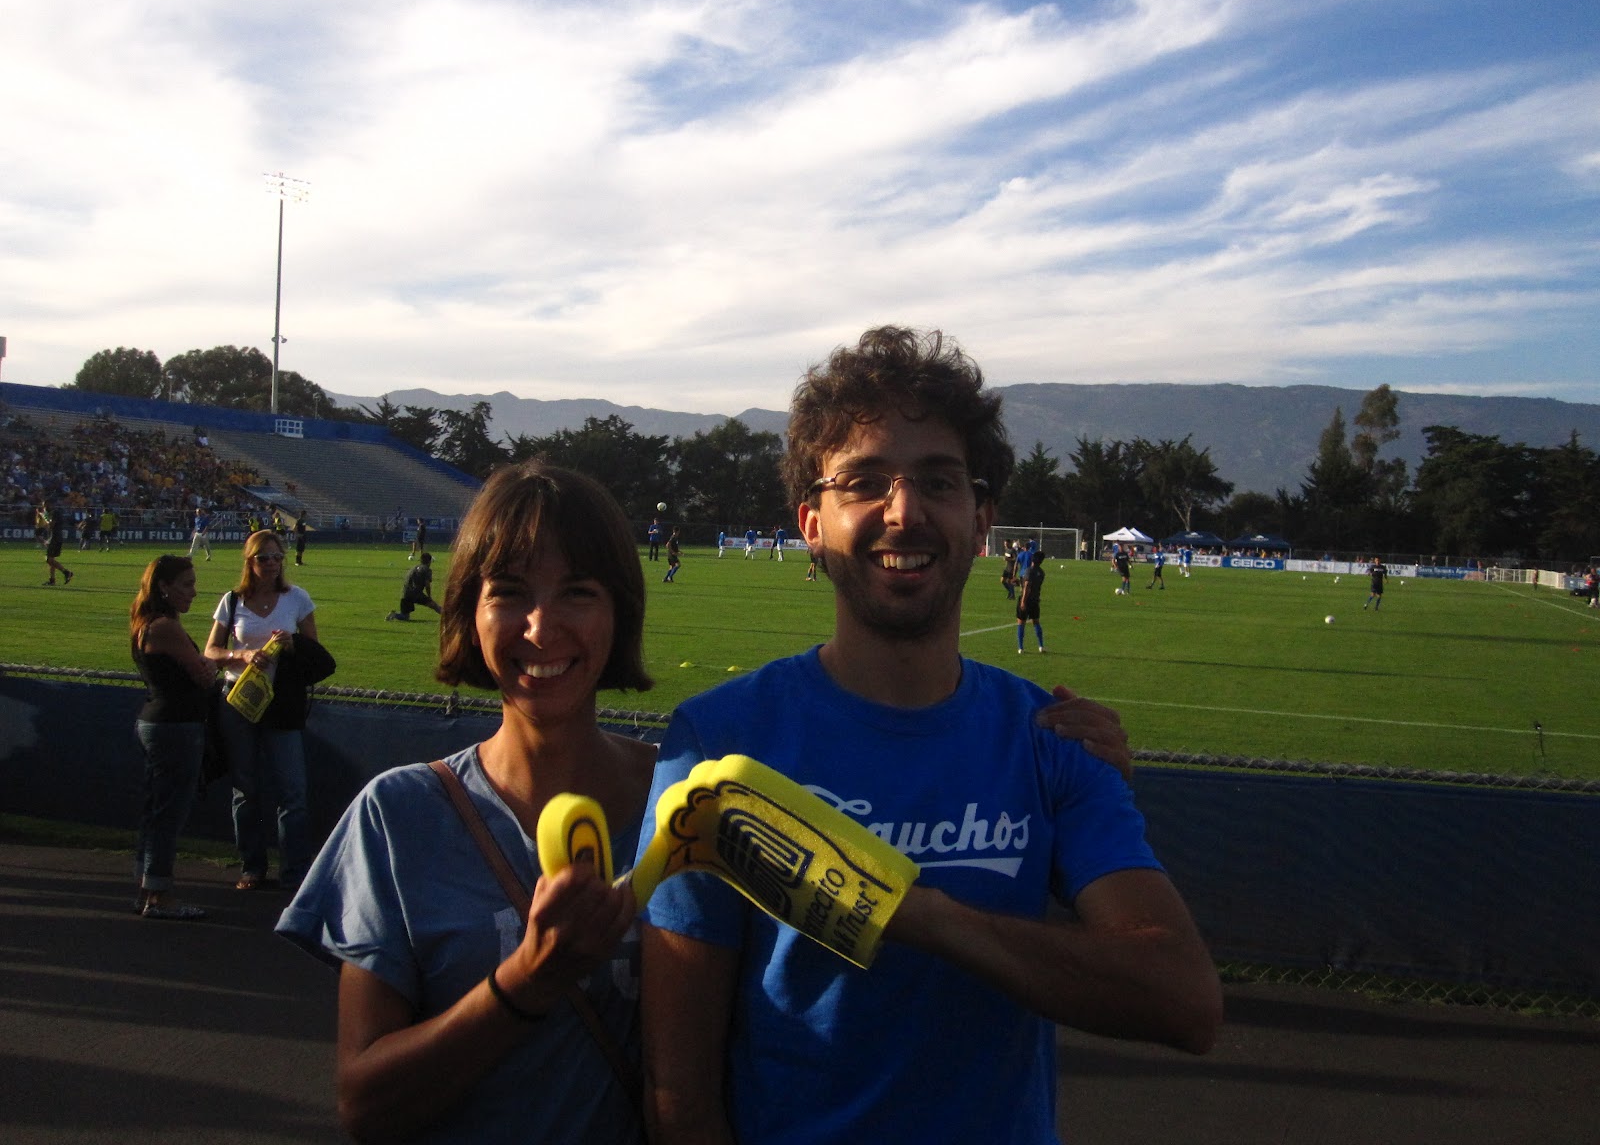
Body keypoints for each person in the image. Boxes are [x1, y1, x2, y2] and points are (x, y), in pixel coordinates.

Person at [637, 327, 1220, 1144]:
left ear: (982, 521)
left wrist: (915, 913)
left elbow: (1184, 1000)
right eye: (864, 483)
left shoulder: (1053, 739)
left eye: (938, 482)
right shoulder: (719, 741)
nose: (904, 512)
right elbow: (679, 1097)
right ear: (811, 523)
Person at [277, 461, 653, 1144]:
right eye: (508, 592)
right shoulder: (398, 816)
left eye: (577, 592)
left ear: (619, 610)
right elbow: (366, 1107)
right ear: (468, 612)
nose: (540, 628)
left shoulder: (681, 805)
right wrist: (528, 980)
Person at [204, 530, 320, 891]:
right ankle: (252, 866)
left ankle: (294, 872)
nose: (271, 564)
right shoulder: (232, 601)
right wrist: (241, 654)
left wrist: (292, 644)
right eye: (263, 558)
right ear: (249, 561)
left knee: (292, 791)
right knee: (246, 789)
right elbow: (211, 651)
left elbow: (315, 652)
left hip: (282, 702)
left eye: (276, 557)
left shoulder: (297, 598)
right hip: (239, 701)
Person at [130, 555, 218, 920]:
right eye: (187, 585)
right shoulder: (165, 627)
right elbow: (203, 675)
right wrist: (215, 662)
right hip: (175, 726)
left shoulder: (147, 622)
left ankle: (147, 887)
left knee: (157, 809)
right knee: (169, 813)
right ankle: (159, 895)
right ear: (164, 587)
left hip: (160, 722)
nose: (194, 592)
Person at [388, 552, 442, 621]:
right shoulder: (427, 570)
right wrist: (429, 596)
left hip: (405, 593)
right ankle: (450, 616)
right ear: (429, 561)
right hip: (415, 593)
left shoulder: (414, 568)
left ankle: (394, 615)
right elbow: (427, 585)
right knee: (434, 605)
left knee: (405, 616)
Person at [1016, 549, 1046, 653]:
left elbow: (1027, 587)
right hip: (1035, 599)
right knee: (1036, 622)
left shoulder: (1029, 570)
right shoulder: (1041, 572)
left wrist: (1023, 601)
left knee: (1021, 622)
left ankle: (1020, 647)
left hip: (1027, 599)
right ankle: (1041, 646)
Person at [43, 507, 73, 586]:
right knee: (52, 560)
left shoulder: (54, 513)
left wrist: (45, 518)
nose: (44, 507)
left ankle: (66, 572)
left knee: (48, 559)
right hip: (56, 538)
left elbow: (51, 525)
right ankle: (52, 580)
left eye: (45, 505)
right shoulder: (56, 513)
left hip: (55, 539)